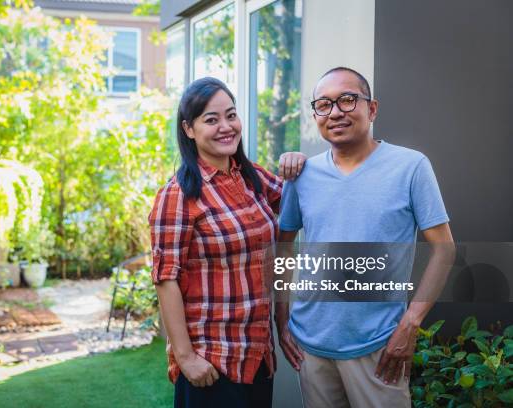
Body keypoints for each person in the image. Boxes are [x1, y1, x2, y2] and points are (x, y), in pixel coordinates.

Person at [275, 67, 455, 407]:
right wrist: (281, 316)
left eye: (347, 100)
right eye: (324, 105)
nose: (336, 112)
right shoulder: (302, 175)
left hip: (379, 346)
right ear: (315, 115)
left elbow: (444, 251)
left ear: (371, 109)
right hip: (311, 347)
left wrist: (410, 324)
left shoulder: (411, 167)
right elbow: (284, 245)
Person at [149, 76, 306, 408]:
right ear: (189, 129)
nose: (226, 126)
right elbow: (166, 279)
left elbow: (302, 202)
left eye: (231, 115)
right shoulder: (178, 194)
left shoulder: (252, 178)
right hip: (212, 359)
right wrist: (186, 357)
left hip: (258, 354)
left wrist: (300, 163)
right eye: (211, 119)